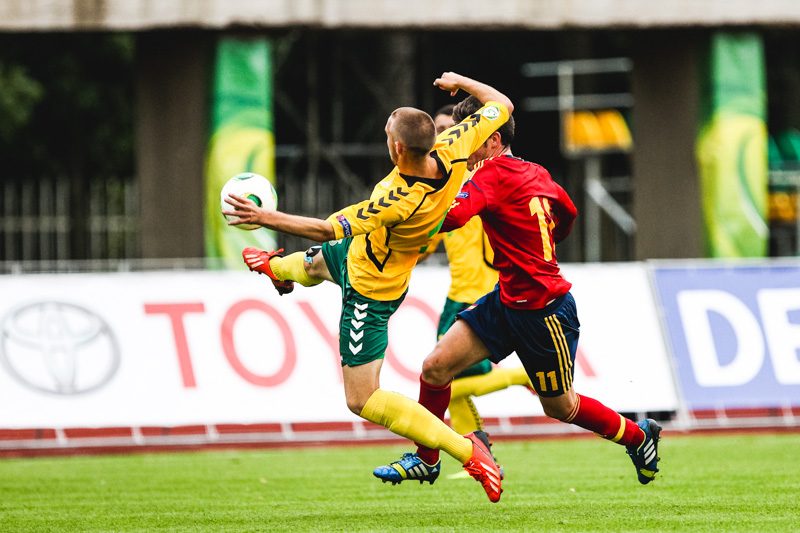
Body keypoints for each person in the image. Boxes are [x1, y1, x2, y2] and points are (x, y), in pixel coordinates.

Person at [223, 73, 512, 503]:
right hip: (359, 254)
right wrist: (462, 84)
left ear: (397, 148)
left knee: (361, 399)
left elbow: (324, 227)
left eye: (386, 133)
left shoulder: (397, 198)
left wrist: (264, 218)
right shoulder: (455, 146)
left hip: (371, 289)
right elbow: (502, 103)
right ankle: (279, 270)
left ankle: (467, 451)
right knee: (320, 263)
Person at [375, 95, 662, 491]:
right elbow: (568, 212)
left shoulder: (487, 175)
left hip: (544, 312)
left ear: (492, 141)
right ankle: (427, 458)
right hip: (506, 297)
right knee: (436, 367)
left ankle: (638, 436)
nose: (462, 148)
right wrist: (543, 242)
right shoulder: (535, 171)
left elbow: (452, 217)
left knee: (562, 406)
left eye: (470, 138)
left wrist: (390, 212)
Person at [384, 105, 533, 481]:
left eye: (453, 129)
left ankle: (520, 378)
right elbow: (428, 238)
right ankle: (478, 447)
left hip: (477, 291)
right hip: (459, 290)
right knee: (444, 376)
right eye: (441, 131)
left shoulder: (474, 179)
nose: (445, 137)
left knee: (449, 376)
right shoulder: (451, 181)